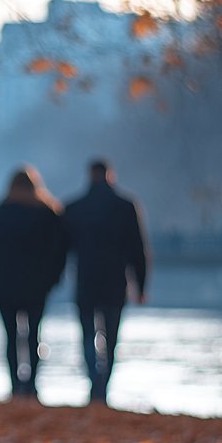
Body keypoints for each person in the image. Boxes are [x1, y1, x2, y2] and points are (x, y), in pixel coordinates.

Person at [62, 160, 149, 406]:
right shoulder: (126, 206)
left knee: (88, 334)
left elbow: (60, 248)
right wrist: (140, 286)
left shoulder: (74, 208)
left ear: (89, 175)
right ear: (111, 175)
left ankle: (93, 379)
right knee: (111, 337)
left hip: (85, 282)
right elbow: (138, 250)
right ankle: (104, 385)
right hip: (115, 283)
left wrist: (53, 277)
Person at [0, 165, 67, 399]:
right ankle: (32, 384)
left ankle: (15, 384)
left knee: (10, 336)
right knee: (33, 335)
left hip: (4, 284)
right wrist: (54, 278)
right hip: (37, 284)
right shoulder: (48, 213)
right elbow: (58, 251)